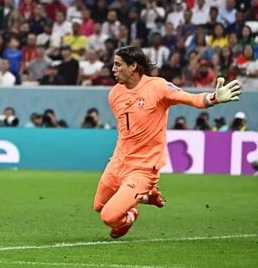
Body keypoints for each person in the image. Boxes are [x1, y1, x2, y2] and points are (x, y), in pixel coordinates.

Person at [94, 46, 241, 238]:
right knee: (98, 205)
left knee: (109, 217)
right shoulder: (114, 94)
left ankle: (131, 214)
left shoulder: (158, 87)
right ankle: (146, 196)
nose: (113, 69)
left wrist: (213, 98)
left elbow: (190, 98)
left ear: (133, 66)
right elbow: (127, 130)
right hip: (118, 162)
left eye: (118, 65)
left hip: (143, 168)